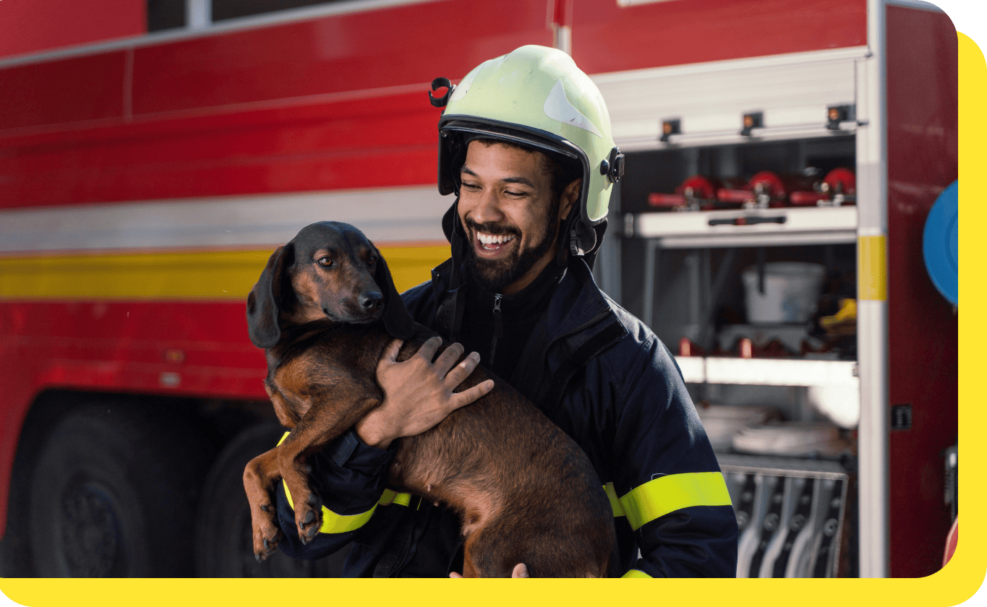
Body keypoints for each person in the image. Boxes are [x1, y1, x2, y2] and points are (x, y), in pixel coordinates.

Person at [274, 45, 738, 577]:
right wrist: (375, 429)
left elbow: (700, 559)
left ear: (569, 200)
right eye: (472, 185)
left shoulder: (626, 364)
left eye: (513, 191)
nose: (485, 212)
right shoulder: (387, 332)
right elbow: (298, 534)